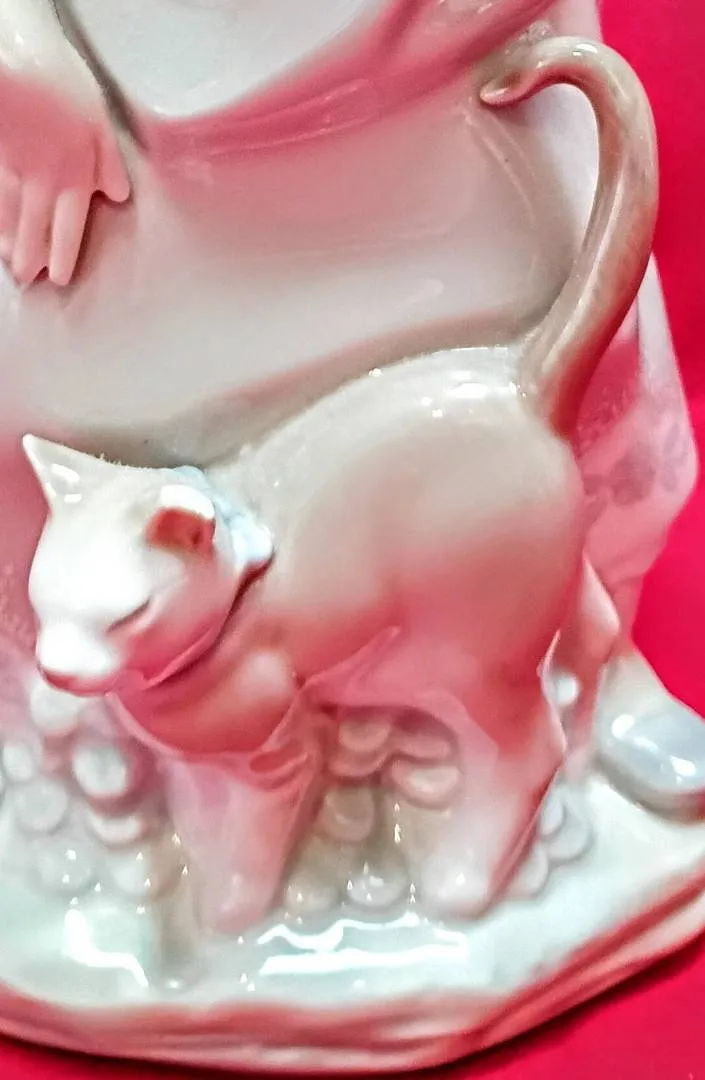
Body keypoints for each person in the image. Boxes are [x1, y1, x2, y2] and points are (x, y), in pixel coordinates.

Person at [0, 0, 702, 813]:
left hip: (445, 104)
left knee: (561, 326)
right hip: (116, 129)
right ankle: (93, 733)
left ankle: (583, 656)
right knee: (40, 374)